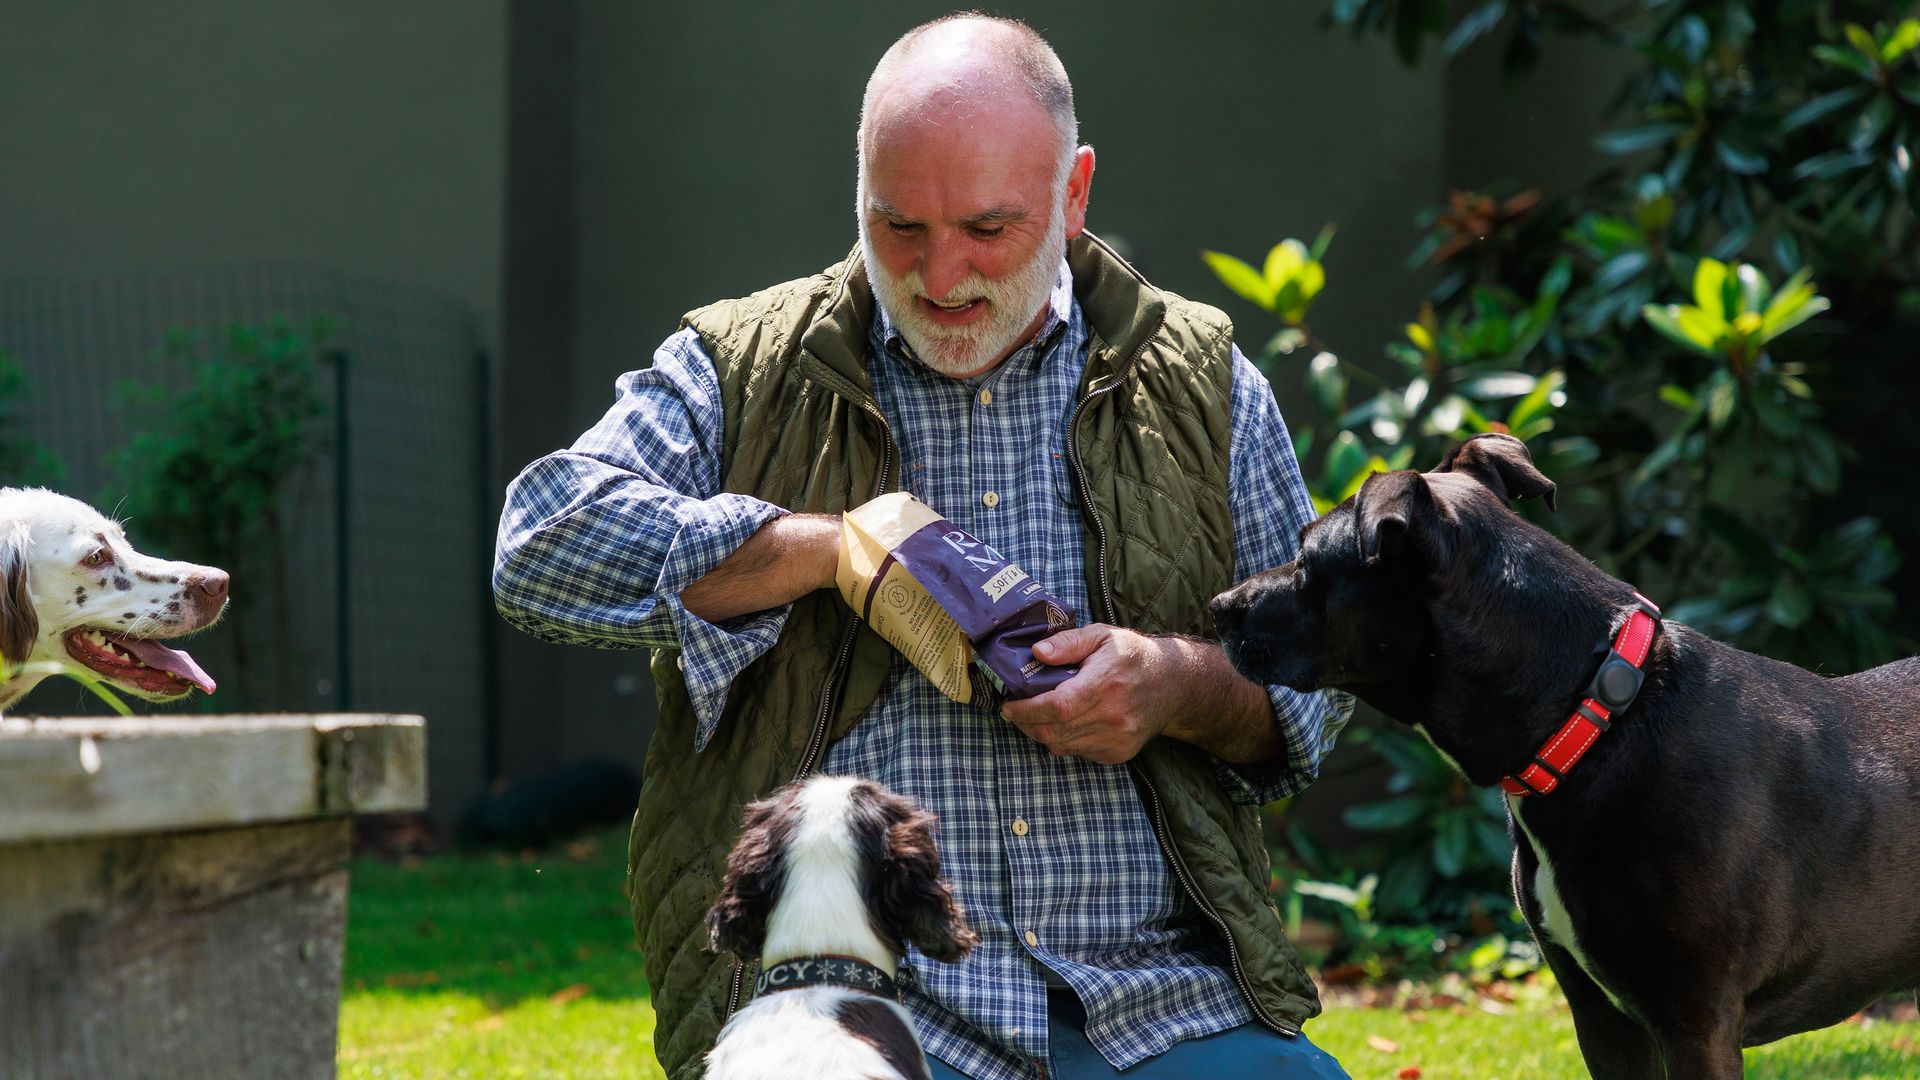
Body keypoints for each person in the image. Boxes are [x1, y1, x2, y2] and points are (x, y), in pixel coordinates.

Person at [494, 13, 1353, 1080]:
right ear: (858, 192)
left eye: (988, 229)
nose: (941, 274)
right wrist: (823, 553)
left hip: (1158, 1006)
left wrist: (1171, 684)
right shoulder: (742, 366)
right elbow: (538, 545)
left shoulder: (1204, 382)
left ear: (1074, 194)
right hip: (845, 1016)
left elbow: (1314, 690)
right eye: (898, 226)